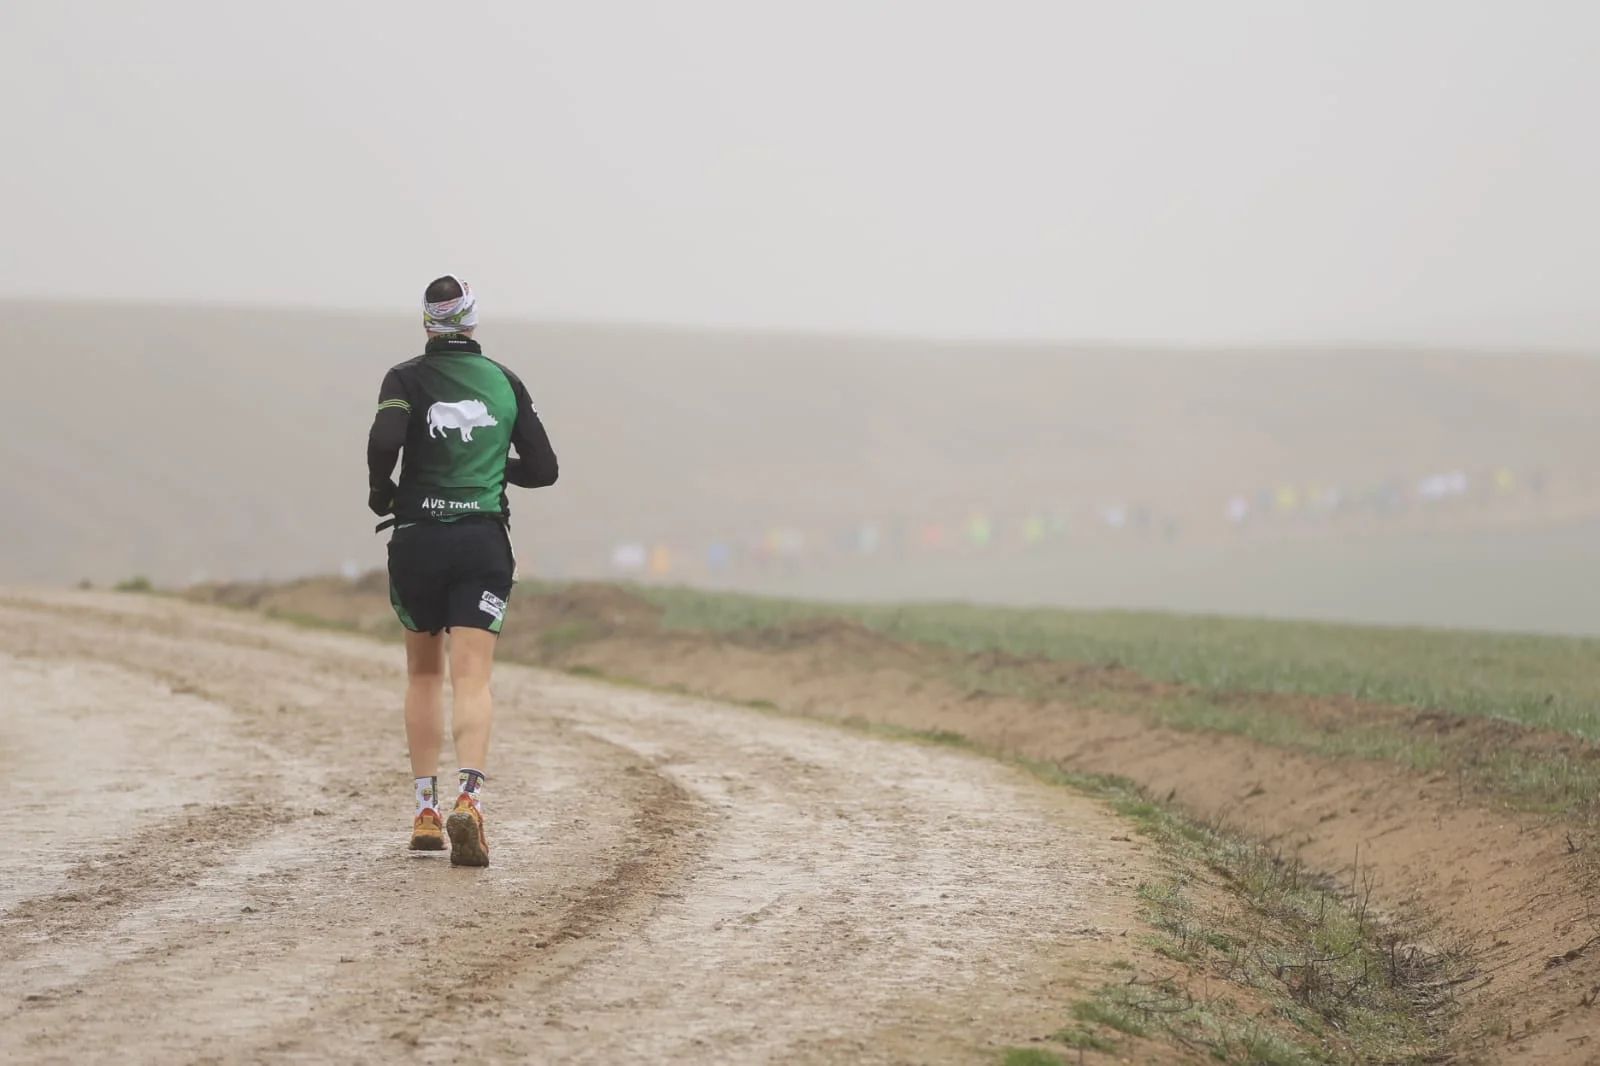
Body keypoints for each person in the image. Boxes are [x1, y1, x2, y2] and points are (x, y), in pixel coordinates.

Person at [366, 275, 559, 866]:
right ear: (471, 321)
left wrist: (381, 490)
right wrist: (493, 466)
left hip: (418, 540)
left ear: (427, 323)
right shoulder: (505, 381)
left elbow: (384, 440)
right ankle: (469, 800)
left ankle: (425, 812)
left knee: (424, 675)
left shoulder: (404, 378)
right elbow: (545, 469)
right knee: (472, 678)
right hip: (482, 542)